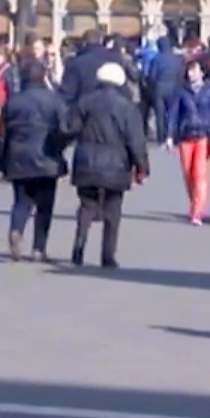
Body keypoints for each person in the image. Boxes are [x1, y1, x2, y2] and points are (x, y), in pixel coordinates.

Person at [66, 61, 148, 268]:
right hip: (116, 163)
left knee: (87, 206)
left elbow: (70, 128)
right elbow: (135, 140)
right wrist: (142, 166)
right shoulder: (127, 108)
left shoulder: (85, 102)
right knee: (113, 209)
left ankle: (79, 247)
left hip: (86, 160)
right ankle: (107, 255)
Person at [0, 57, 70, 261]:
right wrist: (58, 147)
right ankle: (39, 247)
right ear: (43, 77)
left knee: (21, 201)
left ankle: (16, 229)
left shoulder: (14, 101)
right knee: (45, 206)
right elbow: (64, 129)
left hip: (18, 155)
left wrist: (2, 159)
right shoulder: (53, 100)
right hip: (46, 156)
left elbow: (3, 133)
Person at [165, 57, 210, 224]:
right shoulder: (181, 91)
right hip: (185, 135)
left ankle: (197, 212)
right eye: (189, 70)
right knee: (188, 174)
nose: (191, 74)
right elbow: (173, 114)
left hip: (205, 135)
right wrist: (169, 136)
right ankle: (194, 202)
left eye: (195, 70)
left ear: (203, 72)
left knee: (200, 174)